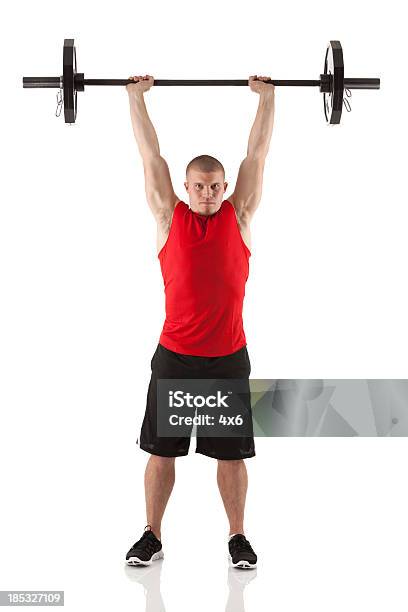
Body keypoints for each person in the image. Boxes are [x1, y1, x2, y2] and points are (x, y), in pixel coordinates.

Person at [125, 74, 275, 569]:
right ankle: (152, 534)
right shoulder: (170, 217)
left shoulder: (241, 215)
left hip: (228, 360)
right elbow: (152, 158)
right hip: (175, 358)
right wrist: (135, 98)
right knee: (161, 454)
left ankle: (238, 537)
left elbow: (256, 157)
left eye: (214, 186)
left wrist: (267, 100)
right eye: (199, 186)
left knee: (231, 457)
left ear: (224, 187)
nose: (207, 193)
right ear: (186, 187)